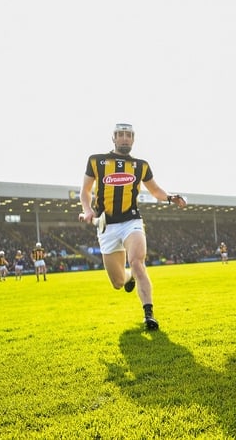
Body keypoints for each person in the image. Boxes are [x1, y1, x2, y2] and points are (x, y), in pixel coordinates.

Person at [79, 123, 187, 330]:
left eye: (128, 135)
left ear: (133, 139)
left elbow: (155, 190)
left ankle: (149, 315)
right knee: (118, 282)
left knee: (137, 262)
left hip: (132, 222)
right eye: (120, 134)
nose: (125, 138)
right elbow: (85, 190)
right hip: (106, 226)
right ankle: (129, 278)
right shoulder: (96, 160)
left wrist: (170, 197)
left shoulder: (141, 165)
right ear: (114, 138)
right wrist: (88, 209)